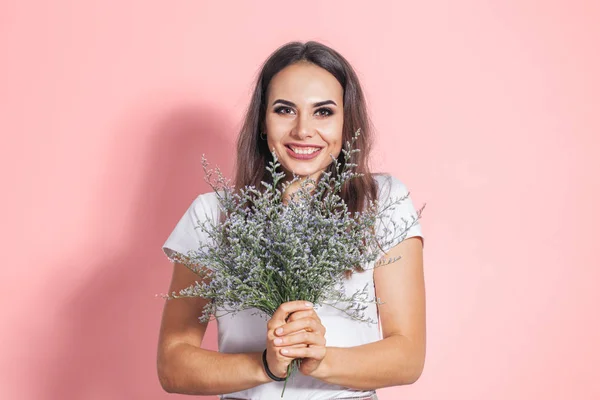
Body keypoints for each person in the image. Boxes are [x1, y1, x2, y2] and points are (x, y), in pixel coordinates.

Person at [157, 41, 425, 400]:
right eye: (285, 110)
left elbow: (408, 356)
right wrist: (265, 365)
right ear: (263, 123)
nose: (303, 130)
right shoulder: (214, 214)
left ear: (346, 124)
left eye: (323, 112)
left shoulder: (382, 201)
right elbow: (173, 365)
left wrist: (321, 360)